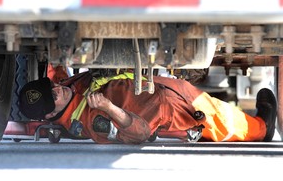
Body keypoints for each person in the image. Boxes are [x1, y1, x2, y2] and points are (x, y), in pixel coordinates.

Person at [18, 69, 277, 144]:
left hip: (167, 90)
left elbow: (58, 75)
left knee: (214, 109)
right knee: (222, 120)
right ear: (52, 114)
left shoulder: (68, 90)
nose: (56, 89)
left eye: (48, 87)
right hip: (174, 112)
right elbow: (138, 134)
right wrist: (109, 108)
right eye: (52, 97)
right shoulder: (90, 122)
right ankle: (262, 128)